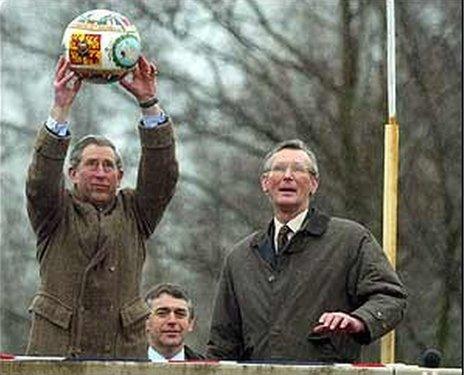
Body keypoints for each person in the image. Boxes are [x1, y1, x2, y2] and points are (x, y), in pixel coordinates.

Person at [25, 55, 179, 359]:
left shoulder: (136, 211)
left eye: (108, 166)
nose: (100, 172)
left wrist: (149, 103)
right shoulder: (55, 212)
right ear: (72, 173)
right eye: (91, 164)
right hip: (58, 351)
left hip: (122, 352)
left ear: (120, 176)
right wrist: (61, 108)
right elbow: (40, 181)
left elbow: (163, 175)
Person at [207, 139, 407, 363]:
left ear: (314, 184)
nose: (288, 176)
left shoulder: (349, 240)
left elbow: (390, 297)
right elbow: (222, 343)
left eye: (299, 170)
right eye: (279, 169)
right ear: (265, 183)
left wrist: (359, 320)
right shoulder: (240, 258)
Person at [145, 283, 204, 361]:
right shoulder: (124, 367)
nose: (172, 321)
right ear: (146, 322)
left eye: (180, 314)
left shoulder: (210, 370)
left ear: (191, 323)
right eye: (162, 313)